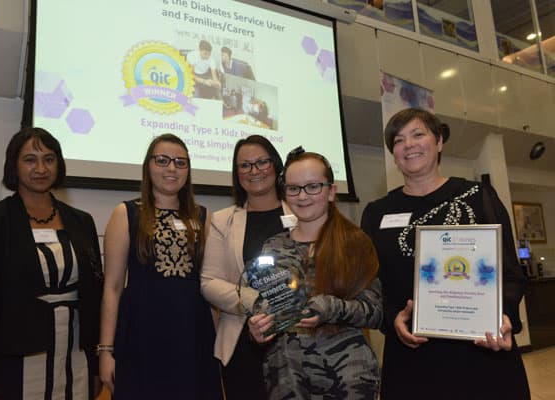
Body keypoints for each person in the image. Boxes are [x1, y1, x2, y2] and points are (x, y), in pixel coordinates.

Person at [360, 108, 530, 400]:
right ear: (394, 155)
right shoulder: (377, 213)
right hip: (412, 356)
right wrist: (392, 319)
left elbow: (510, 273)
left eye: (418, 134)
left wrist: (504, 316)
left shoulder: (478, 196)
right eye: (399, 140)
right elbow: (369, 285)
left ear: (439, 141)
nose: (409, 145)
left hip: (481, 351)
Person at [0, 127, 103, 400]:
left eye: (49, 159)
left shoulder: (82, 221)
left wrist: (97, 364)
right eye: (30, 160)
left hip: (76, 355)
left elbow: (94, 296)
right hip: (17, 360)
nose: (41, 168)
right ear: (14, 165)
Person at [248, 149, 382, 399]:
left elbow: (374, 312)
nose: (302, 196)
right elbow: (266, 303)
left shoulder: (354, 242)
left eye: (312, 187)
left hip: (346, 376)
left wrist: (329, 308)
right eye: (293, 188)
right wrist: (258, 327)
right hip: (286, 375)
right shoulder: (273, 246)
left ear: (331, 191)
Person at [99, 133, 221, 399]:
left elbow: (209, 285)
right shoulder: (126, 213)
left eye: (180, 162)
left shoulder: (204, 216)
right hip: (141, 335)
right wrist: (106, 350)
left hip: (193, 335)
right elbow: (113, 287)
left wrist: (218, 346)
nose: (172, 168)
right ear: (148, 166)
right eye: (162, 160)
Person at [201, 135, 291, 399]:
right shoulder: (222, 220)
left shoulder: (301, 212)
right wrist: (257, 302)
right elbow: (208, 281)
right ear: (236, 173)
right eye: (245, 165)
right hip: (243, 343)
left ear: (276, 165)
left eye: (262, 162)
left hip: (297, 339)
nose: (254, 171)